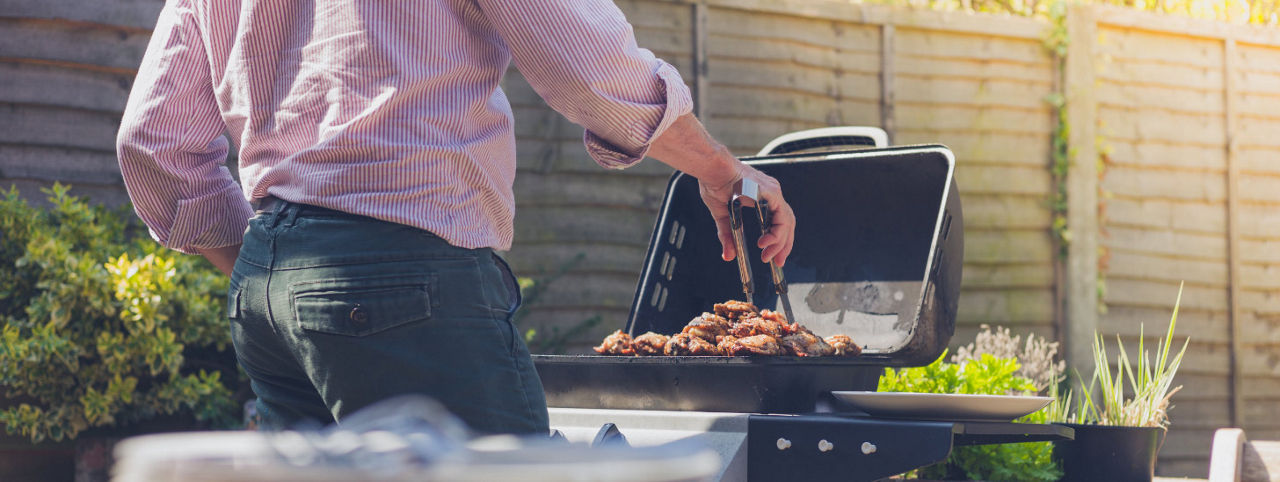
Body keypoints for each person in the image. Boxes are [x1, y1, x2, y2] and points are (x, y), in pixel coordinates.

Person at [116, 0, 795, 435]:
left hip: (269, 288)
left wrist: (282, 270)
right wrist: (719, 169)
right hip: (406, 280)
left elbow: (152, 142)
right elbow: (592, 71)